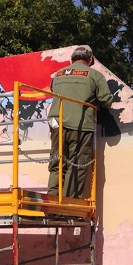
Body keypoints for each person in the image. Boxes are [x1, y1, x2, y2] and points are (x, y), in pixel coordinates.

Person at [46, 45, 114, 198]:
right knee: (77, 164)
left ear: (72, 60)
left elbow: (52, 90)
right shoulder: (94, 75)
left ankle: (52, 201)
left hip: (56, 123)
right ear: (90, 59)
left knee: (57, 163)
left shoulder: (58, 74)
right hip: (79, 124)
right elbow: (106, 100)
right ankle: (68, 205)